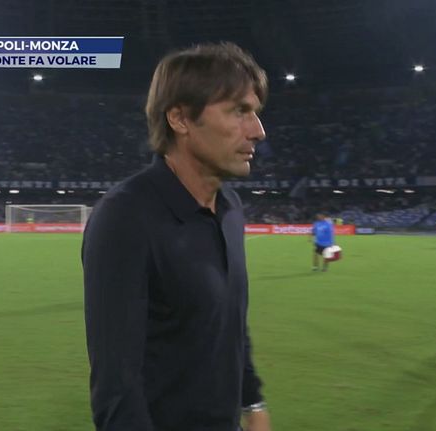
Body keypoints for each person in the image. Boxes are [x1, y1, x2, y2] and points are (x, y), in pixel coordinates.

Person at [82, 42, 272, 431]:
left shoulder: (230, 208)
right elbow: (117, 388)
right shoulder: (125, 217)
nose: (258, 131)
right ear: (180, 118)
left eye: (255, 113)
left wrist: (252, 401)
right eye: (239, 111)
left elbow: (230, 322)